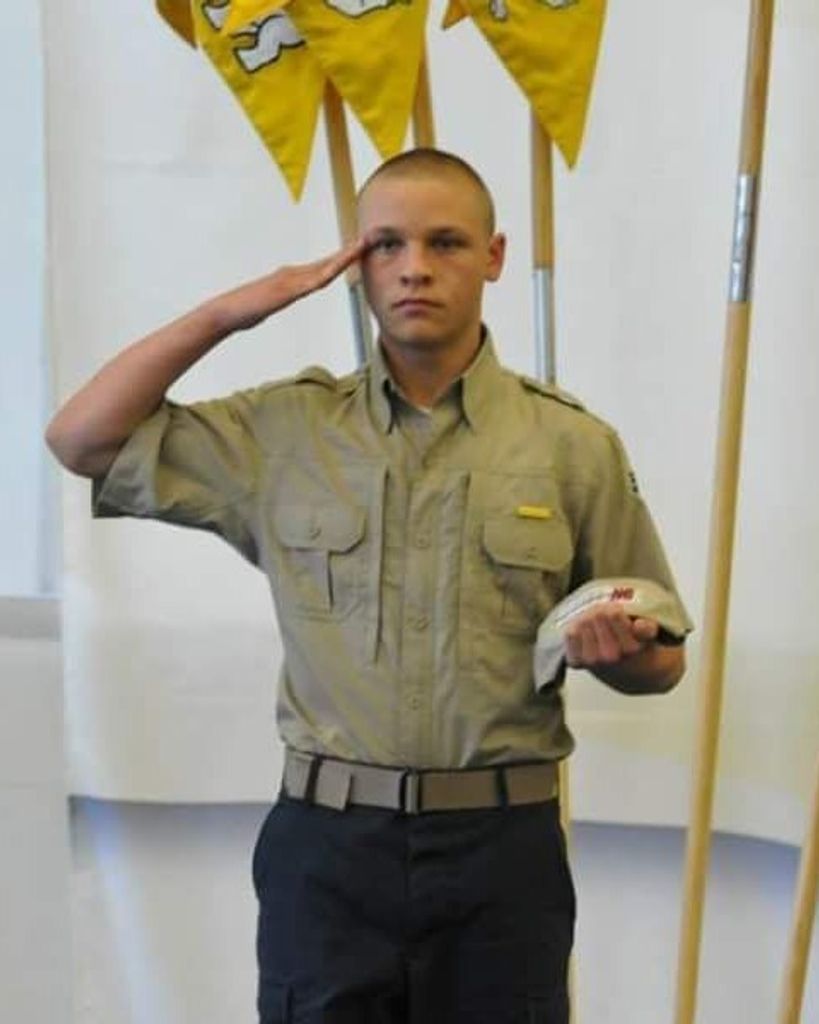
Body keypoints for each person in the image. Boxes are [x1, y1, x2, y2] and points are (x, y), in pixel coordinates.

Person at [46, 148, 691, 1024]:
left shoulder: (572, 447)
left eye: (445, 242)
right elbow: (81, 438)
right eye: (386, 244)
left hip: (500, 855)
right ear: (353, 261)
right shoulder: (284, 432)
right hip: (328, 853)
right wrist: (230, 313)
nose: (414, 267)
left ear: (494, 256)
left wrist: (617, 653)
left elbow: (660, 663)